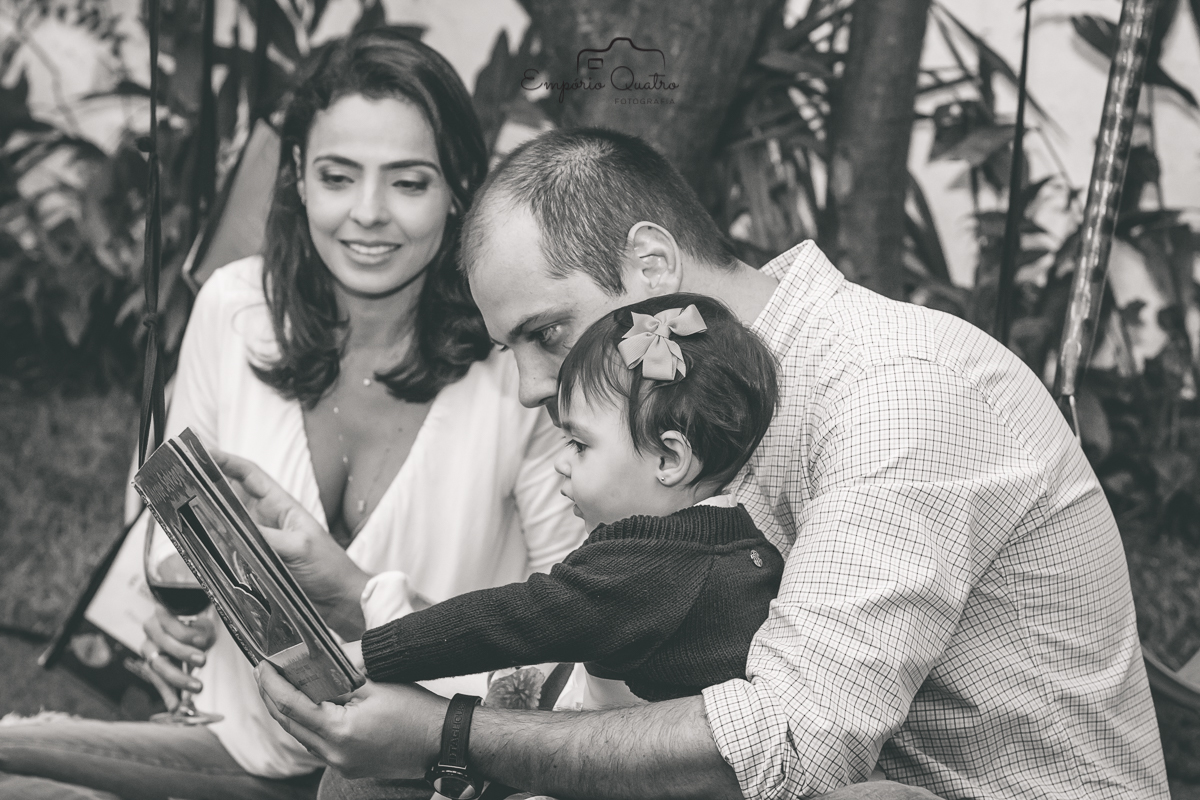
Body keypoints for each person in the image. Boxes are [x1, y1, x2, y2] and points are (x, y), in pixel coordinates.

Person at [242, 127, 1170, 800]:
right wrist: (375, 638)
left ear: (652, 267)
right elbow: (579, 627)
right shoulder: (680, 418)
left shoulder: (893, 391)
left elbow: (793, 747)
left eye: (545, 333)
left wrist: (451, 738)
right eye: (510, 351)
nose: (530, 387)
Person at [0, 30, 584, 800]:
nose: (367, 214)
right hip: (245, 748)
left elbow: (564, 648)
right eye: (339, 176)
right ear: (300, 179)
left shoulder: (517, 366)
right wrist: (161, 615)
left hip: (415, 768)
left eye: (408, 182)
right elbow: (164, 519)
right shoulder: (236, 307)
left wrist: (366, 594)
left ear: (457, 190)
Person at [348, 294, 783, 711]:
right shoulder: (742, 546)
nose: (562, 463)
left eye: (579, 444)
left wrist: (374, 654)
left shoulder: (646, 569)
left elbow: (512, 621)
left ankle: (390, 612)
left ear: (669, 459)